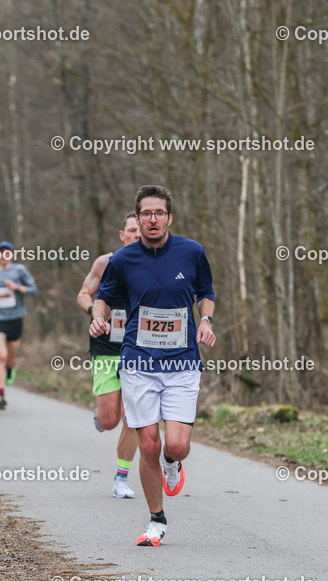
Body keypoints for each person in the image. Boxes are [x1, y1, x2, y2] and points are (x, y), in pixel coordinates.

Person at [90, 185, 215, 547]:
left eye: (159, 213)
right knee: (147, 444)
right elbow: (103, 298)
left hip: (181, 365)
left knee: (175, 445)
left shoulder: (192, 253)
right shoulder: (122, 260)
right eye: (146, 213)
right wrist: (97, 319)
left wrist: (205, 322)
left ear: (169, 217)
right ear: (138, 219)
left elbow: (206, 293)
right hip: (138, 364)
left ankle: (173, 464)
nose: (153, 219)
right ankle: (156, 520)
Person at [77, 212, 142, 498]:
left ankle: (121, 478)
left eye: (141, 232)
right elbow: (83, 293)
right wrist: (95, 314)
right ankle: (101, 416)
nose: (137, 236)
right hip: (106, 349)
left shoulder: (154, 265)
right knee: (110, 420)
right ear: (122, 235)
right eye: (132, 231)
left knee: (133, 419)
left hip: (138, 351)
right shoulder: (105, 263)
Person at [0, 241, 37, 410]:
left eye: (7, 252)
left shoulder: (19, 270)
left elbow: (33, 289)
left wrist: (17, 287)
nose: (3, 255)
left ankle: (10, 368)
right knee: (1, 355)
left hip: (15, 319)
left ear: (12, 255)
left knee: (10, 358)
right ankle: (1, 395)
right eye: (0, 252)